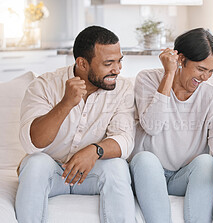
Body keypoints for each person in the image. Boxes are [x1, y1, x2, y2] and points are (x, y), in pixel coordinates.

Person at [16, 25, 136, 223]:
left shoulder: (122, 89)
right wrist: (66, 103)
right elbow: (33, 143)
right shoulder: (44, 85)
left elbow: (125, 139)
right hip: (52, 172)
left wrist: (93, 151)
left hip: (91, 173)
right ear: (82, 63)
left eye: (119, 61)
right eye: (108, 63)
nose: (117, 69)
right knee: (35, 163)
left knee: (117, 167)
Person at [129, 28, 213, 223]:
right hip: (148, 174)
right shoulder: (147, 79)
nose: (205, 78)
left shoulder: (212, 96)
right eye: (201, 69)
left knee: (206, 163)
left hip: (182, 177)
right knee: (145, 159)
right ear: (180, 59)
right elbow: (152, 126)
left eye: (211, 71)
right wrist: (169, 74)